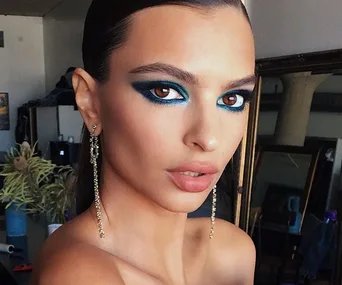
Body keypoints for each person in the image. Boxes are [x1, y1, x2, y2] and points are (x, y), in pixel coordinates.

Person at [31, 0, 256, 284]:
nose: (208, 138)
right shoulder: (79, 275)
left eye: (231, 99)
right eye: (165, 92)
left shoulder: (233, 251)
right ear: (90, 102)